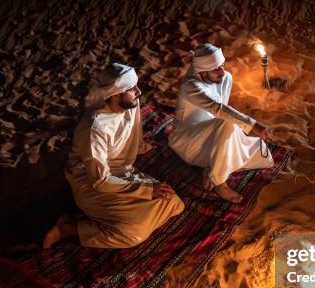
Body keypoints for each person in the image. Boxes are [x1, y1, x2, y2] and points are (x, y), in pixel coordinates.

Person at [43, 63, 184, 249]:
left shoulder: (131, 103)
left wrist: (143, 148)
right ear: (115, 94)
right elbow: (100, 181)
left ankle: (120, 218)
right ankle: (69, 228)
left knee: (174, 203)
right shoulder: (95, 128)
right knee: (132, 235)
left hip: (122, 174)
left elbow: (134, 133)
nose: (139, 92)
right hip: (92, 184)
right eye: (132, 89)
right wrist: (148, 190)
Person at [168, 43, 273, 203]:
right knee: (227, 124)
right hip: (187, 141)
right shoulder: (190, 86)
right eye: (216, 68)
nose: (222, 72)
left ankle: (211, 167)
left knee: (256, 150)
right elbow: (218, 109)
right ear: (202, 72)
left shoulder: (224, 78)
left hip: (212, 133)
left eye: (222, 66)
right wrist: (252, 125)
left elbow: (221, 110)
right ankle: (219, 182)